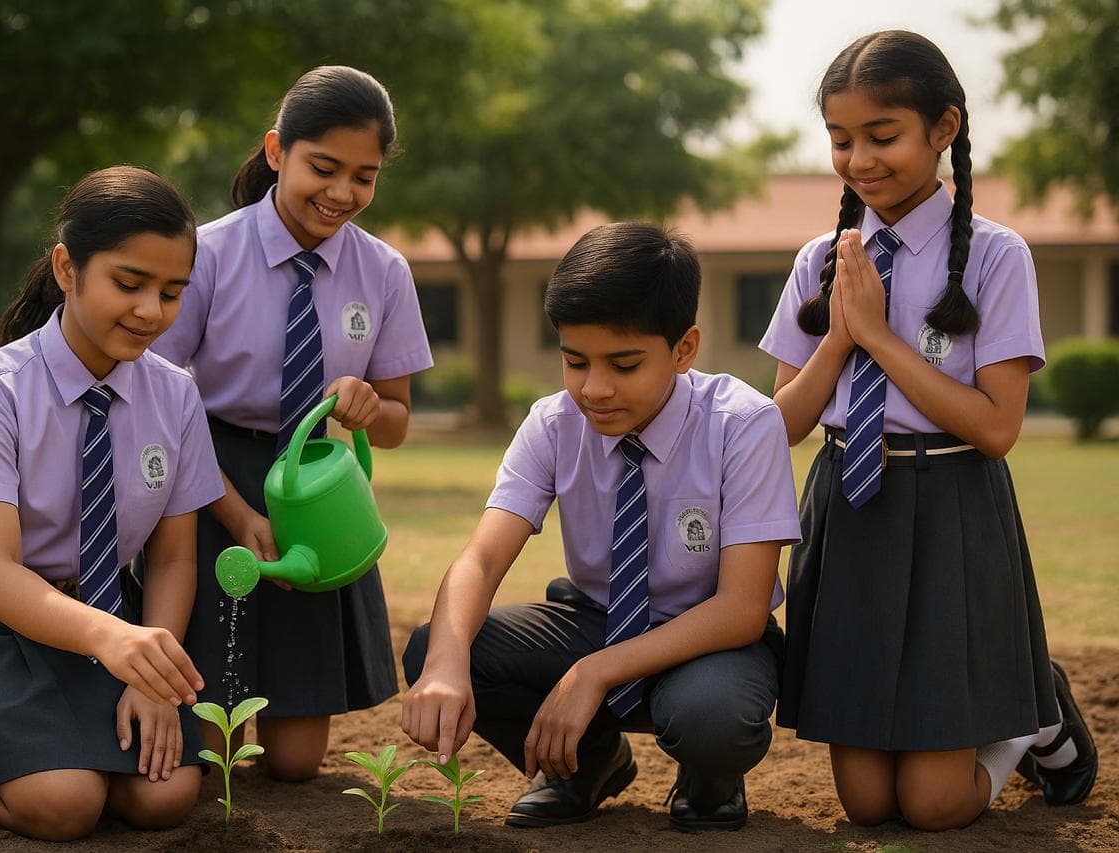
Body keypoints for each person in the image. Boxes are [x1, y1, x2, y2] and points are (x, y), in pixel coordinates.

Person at [759, 30, 1098, 831]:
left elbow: (997, 428)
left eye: (883, 136)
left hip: (954, 507)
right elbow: (783, 426)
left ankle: (1034, 716)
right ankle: (1023, 696)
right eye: (841, 140)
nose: (859, 160)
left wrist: (880, 339)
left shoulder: (996, 257)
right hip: (849, 508)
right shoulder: (819, 261)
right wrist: (840, 337)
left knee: (934, 803)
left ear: (943, 128)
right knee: (869, 804)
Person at [401, 222, 800, 832]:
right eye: (574, 361)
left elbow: (742, 608)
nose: (595, 388)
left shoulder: (743, 425)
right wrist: (445, 665)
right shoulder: (553, 424)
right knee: (442, 643)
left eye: (624, 363)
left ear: (685, 349)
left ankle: (710, 775)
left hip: (709, 639)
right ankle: (586, 762)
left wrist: (594, 672)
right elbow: (480, 559)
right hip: (596, 619)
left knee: (712, 719)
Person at [0, 166, 225, 840]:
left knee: (165, 798)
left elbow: (173, 558)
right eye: (129, 283)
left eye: (172, 292)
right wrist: (115, 641)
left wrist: (151, 677)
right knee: (66, 805)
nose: (151, 312)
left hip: (111, 615)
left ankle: (43, 737)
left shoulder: (177, 396)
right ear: (67, 268)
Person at [150, 65, 433, 780]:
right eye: (324, 168)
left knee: (296, 764)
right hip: (207, 473)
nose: (342, 193)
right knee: (209, 754)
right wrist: (238, 513)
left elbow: (396, 421)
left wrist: (368, 408)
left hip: (316, 486)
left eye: (364, 177)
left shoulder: (385, 272)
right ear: (277, 151)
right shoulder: (207, 254)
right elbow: (158, 405)